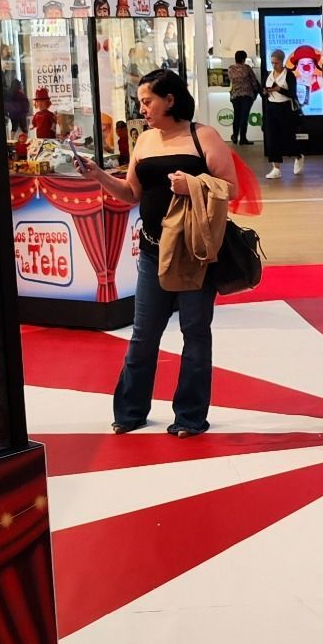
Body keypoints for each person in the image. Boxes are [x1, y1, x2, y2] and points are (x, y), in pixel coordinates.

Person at [73, 69, 238, 437]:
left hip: (194, 254)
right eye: (140, 101)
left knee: (195, 334)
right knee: (144, 334)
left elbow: (231, 187)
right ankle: (130, 411)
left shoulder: (203, 136)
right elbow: (132, 193)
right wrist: (98, 175)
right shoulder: (144, 140)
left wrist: (191, 182)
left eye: (147, 101)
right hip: (151, 251)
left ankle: (190, 416)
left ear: (170, 100)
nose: (142, 108)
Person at [261, 49, 302, 178]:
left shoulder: (289, 75)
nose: (274, 65)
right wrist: (265, 92)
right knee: (272, 138)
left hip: (285, 108)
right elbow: (263, 90)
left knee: (288, 137)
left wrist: (279, 89)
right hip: (271, 107)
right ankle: (276, 168)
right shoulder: (268, 75)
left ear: (282, 62)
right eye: (272, 63)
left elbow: (292, 94)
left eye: (276, 63)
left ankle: (298, 156)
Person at [227, 50, 260, 146]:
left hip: (235, 95)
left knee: (237, 116)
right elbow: (254, 81)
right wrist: (257, 91)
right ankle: (243, 138)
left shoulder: (230, 69)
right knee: (244, 117)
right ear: (243, 59)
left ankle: (234, 136)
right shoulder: (247, 68)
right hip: (246, 95)